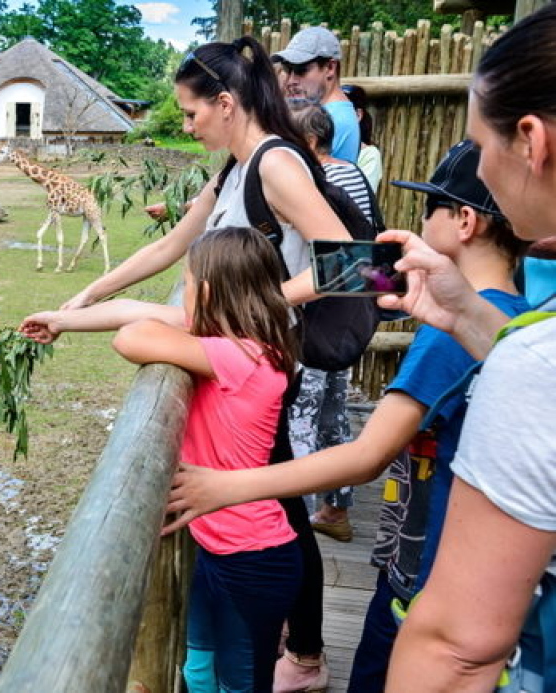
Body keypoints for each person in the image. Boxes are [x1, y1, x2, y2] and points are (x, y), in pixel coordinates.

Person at [160, 139, 530, 693]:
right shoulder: (515, 316)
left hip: (431, 574)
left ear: (465, 222)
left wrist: (229, 487)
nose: (419, 221)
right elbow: (354, 276)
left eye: (429, 208)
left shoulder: (446, 338)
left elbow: (367, 454)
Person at [57, 36, 356, 692]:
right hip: (247, 346)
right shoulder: (231, 168)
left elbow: (355, 264)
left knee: (281, 497)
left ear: (225, 103)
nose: (187, 127)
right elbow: (173, 244)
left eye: (191, 114)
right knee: (277, 494)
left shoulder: (277, 165)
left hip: (269, 358)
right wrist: (91, 292)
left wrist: (258, 307)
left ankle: (304, 653)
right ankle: (291, 643)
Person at [20, 226, 304, 692]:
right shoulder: (240, 343)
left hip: (254, 558)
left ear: (207, 293)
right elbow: (132, 311)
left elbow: (131, 336)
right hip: (217, 548)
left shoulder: (244, 357)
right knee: (197, 671)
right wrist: (61, 318)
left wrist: (182, 318)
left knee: (240, 683)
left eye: (187, 283)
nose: (182, 295)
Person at [370, 6, 556, 689]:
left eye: (480, 144)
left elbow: (459, 648)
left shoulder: (539, 363)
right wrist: (469, 316)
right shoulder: (530, 322)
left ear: (531, 141)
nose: (481, 163)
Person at [287, 98, 381, 543]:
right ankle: (335, 509)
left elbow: (340, 261)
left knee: (301, 421)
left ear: (307, 141)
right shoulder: (354, 174)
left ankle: (296, 523)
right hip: (347, 321)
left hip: (317, 322)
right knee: (333, 415)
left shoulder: (318, 183)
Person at [274, 26, 360, 164]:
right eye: (288, 70)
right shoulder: (330, 112)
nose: (291, 81)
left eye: (301, 70)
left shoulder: (334, 119)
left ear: (330, 68)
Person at [341, 84, 384, 192]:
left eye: (342, 109)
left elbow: (361, 195)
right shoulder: (322, 147)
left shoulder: (369, 155)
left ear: (358, 115)